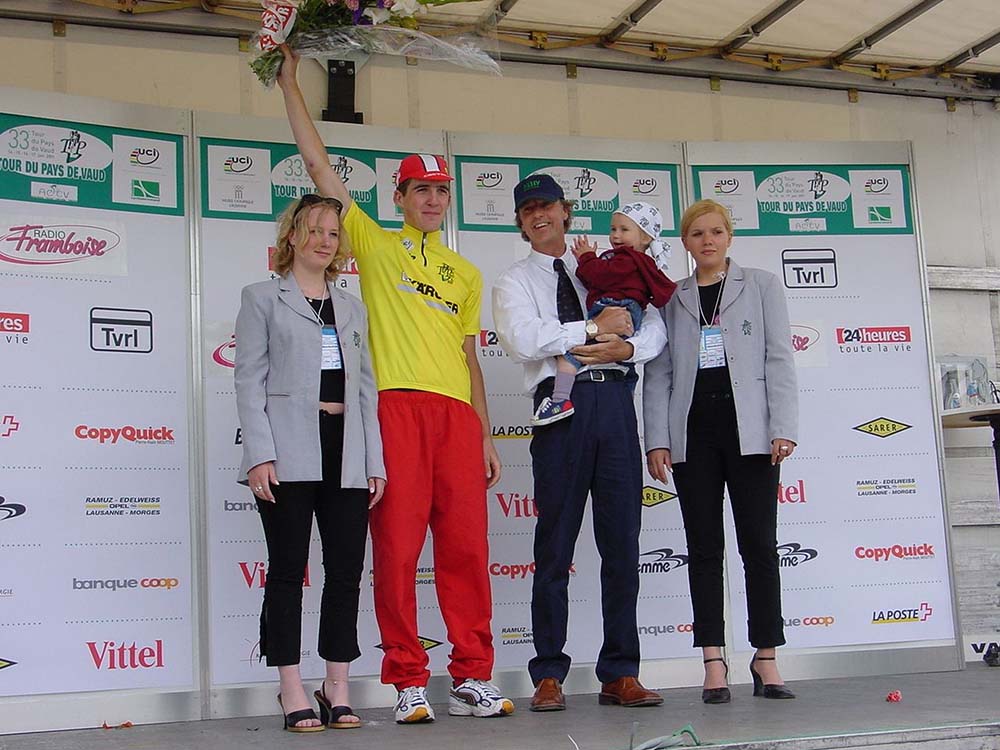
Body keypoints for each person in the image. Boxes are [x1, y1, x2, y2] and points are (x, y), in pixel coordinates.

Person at [276, 47, 512, 724]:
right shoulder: (375, 246)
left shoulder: (467, 274)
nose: (432, 200)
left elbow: (470, 358)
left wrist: (484, 431)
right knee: (398, 550)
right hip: (394, 411)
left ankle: (472, 676)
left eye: (441, 191)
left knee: (466, 552)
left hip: (457, 420)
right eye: (420, 190)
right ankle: (408, 678)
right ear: (399, 198)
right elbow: (318, 166)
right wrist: (290, 83)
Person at [493, 174, 667, 712]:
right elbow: (524, 340)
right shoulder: (514, 280)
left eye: (547, 206)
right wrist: (591, 330)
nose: (539, 215)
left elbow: (654, 328)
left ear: (566, 211)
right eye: (528, 210)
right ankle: (548, 674)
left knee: (622, 545)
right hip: (559, 408)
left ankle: (621, 672)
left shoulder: (605, 261)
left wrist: (625, 348)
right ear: (520, 222)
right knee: (554, 547)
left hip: (615, 399)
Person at [235, 193, 386, 732]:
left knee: (345, 571)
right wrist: (260, 454)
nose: (325, 241)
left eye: (333, 233)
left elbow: (366, 389)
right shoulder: (261, 298)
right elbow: (248, 380)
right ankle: (291, 685)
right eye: (315, 230)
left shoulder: (352, 307)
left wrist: (374, 460)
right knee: (286, 569)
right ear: (292, 237)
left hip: (347, 449)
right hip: (286, 447)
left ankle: (336, 685)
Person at [643, 199, 798, 704]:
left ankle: (766, 655)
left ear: (729, 237)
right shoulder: (672, 297)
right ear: (685, 243)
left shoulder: (762, 285)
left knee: (760, 544)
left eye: (715, 232)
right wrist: (658, 439)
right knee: (704, 547)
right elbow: (658, 374)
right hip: (694, 433)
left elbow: (779, 357)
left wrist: (783, 426)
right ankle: (713, 658)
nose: (707, 241)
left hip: (751, 431)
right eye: (696, 234)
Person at [532, 201, 676, 426]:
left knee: (570, 354)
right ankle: (623, 401)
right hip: (626, 314)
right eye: (613, 229)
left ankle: (560, 400)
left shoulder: (627, 259)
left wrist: (587, 257)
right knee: (624, 367)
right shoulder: (639, 262)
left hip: (613, 307)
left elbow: (599, 276)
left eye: (624, 230)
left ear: (646, 237)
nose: (616, 235)